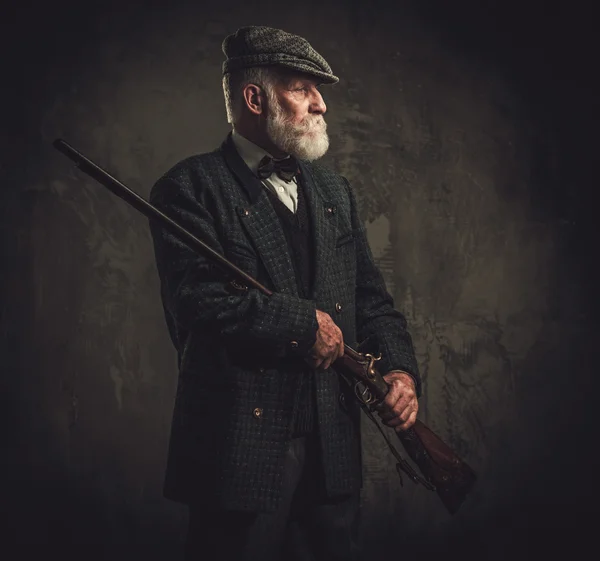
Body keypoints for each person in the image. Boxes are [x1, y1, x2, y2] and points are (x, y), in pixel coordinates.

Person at [149, 25, 421, 561]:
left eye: (318, 91)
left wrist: (401, 372)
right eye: (302, 88)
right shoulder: (188, 188)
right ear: (255, 98)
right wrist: (301, 326)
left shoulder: (334, 191)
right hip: (239, 450)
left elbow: (372, 301)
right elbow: (197, 306)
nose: (322, 103)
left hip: (333, 444)